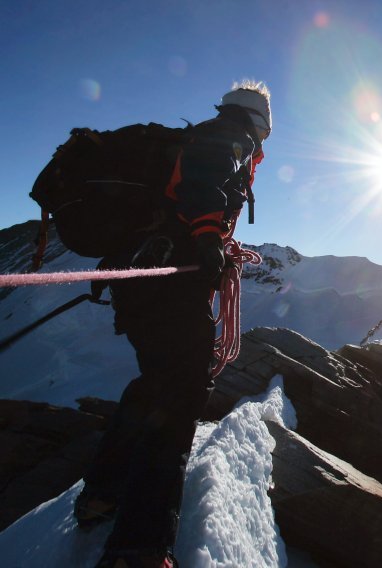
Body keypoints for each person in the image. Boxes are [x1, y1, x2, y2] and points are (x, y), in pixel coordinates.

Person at [73, 80, 272, 568]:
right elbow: (201, 178)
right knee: (181, 396)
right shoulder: (229, 135)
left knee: (156, 381)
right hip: (169, 281)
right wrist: (207, 237)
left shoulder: (209, 131)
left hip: (143, 281)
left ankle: (101, 492)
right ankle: (138, 546)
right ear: (260, 120)